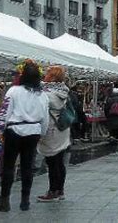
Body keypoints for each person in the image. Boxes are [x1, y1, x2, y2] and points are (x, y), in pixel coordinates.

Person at [0, 59, 49, 212]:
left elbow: (5, 112)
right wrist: (42, 133)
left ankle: (4, 201)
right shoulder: (43, 95)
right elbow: (45, 118)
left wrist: (0, 129)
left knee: (9, 166)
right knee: (27, 166)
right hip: (34, 131)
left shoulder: (14, 91)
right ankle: (25, 201)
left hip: (14, 131)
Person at [37, 66, 71, 202]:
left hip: (52, 129)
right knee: (59, 161)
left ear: (52, 77)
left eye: (47, 73)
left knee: (52, 161)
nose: (44, 75)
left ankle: (53, 191)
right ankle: (60, 190)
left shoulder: (47, 94)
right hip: (63, 129)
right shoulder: (64, 90)